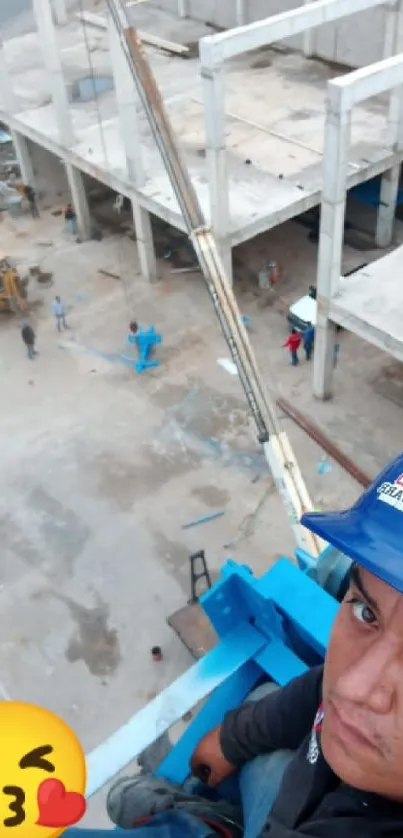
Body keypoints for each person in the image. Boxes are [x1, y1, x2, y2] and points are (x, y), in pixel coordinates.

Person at [72, 452, 403, 838]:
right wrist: (233, 739)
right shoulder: (362, 707)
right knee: (262, 698)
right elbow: (316, 689)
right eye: (366, 613)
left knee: (133, 802)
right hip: (297, 800)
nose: (352, 687)